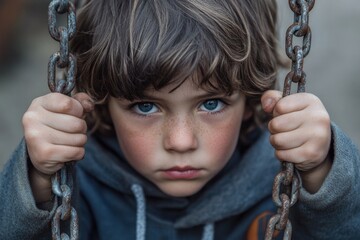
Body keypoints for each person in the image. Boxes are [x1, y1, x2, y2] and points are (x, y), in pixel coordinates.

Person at [1, 0, 359, 239]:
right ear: (99, 102)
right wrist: (36, 177)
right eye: (145, 107)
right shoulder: (77, 183)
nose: (182, 142)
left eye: (212, 103)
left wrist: (321, 171)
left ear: (252, 98)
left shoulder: (282, 183)